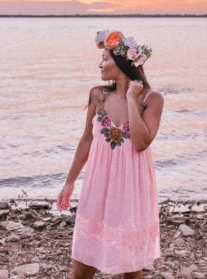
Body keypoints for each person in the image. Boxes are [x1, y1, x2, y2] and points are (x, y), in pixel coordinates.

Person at [57, 30, 164, 279]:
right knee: (81, 267)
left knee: (129, 268)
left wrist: (130, 99)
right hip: (98, 185)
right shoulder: (98, 96)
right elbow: (86, 140)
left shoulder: (152, 99)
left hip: (131, 190)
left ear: (124, 63)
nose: (100, 64)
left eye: (105, 59)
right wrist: (69, 182)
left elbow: (141, 142)